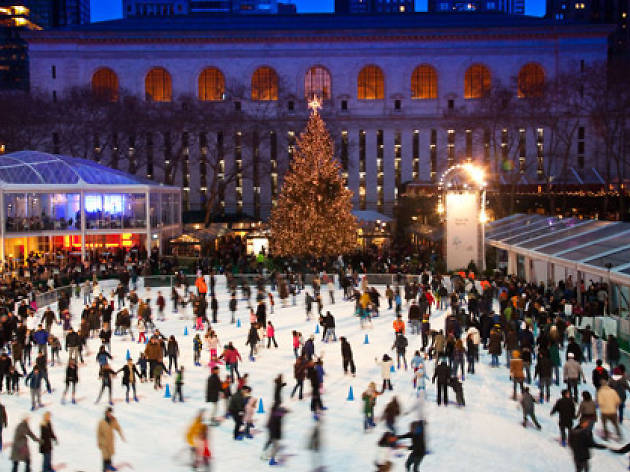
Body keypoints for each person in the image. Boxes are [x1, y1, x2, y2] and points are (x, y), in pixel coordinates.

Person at [97, 407, 125, 472]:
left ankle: (109, 468)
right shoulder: (101, 422)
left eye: (111, 413)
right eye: (109, 413)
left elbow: (118, 428)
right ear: (106, 413)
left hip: (110, 441)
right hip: (104, 442)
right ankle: (105, 469)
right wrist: (99, 442)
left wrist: (122, 436)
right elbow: (99, 433)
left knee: (109, 456)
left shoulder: (113, 420)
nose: (110, 414)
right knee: (105, 458)